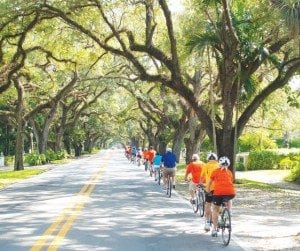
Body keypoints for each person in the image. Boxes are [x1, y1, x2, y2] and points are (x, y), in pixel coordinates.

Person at [206, 156, 235, 237]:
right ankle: (229, 211)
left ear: (219, 164)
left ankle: (214, 229)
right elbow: (230, 182)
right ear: (228, 165)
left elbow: (210, 183)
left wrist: (208, 191)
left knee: (215, 210)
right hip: (231, 193)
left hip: (218, 193)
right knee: (229, 197)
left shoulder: (215, 171)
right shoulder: (229, 172)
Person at [201, 152, 219, 231]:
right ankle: (217, 222)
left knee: (208, 204)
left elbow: (202, 177)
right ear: (216, 159)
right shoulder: (219, 165)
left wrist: (200, 183)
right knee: (217, 206)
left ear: (208, 159)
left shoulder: (206, 165)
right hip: (219, 188)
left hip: (209, 188)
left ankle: (207, 222)